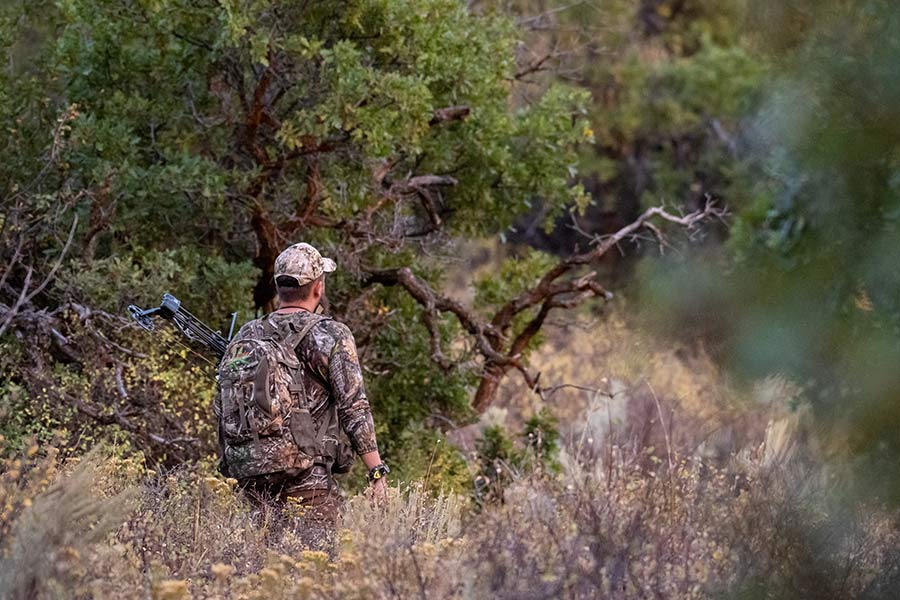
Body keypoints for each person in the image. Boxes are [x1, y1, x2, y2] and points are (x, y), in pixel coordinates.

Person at [215, 242, 388, 538]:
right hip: (307, 479)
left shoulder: (248, 333)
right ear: (318, 288)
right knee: (315, 571)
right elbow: (354, 408)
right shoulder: (331, 334)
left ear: (278, 287)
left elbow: (226, 406)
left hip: (251, 474)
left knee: (259, 564)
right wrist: (376, 472)